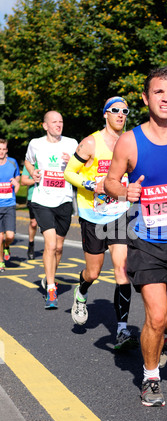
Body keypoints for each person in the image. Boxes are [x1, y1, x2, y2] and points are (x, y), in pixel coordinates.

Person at [104, 67, 167, 407]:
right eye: (159, 92)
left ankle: (158, 335)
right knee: (156, 313)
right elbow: (110, 182)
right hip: (146, 241)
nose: (165, 98)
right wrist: (126, 190)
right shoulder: (130, 140)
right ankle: (150, 379)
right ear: (147, 98)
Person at [64, 97, 138, 351]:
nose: (121, 114)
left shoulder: (130, 142)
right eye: (115, 110)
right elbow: (69, 172)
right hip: (93, 215)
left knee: (122, 270)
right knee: (93, 272)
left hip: (119, 213)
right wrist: (89, 184)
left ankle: (121, 329)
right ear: (105, 114)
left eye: (125, 111)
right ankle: (82, 292)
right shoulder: (90, 142)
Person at [25, 111, 78, 308]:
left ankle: (50, 277)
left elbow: (86, 165)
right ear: (45, 125)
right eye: (54, 122)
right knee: (50, 244)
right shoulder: (35, 143)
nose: (59, 125)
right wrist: (33, 172)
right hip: (42, 200)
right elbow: (28, 161)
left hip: (64, 200)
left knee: (59, 247)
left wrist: (72, 161)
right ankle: (50, 289)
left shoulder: (72, 143)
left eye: (61, 122)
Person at [0, 138, 20, 272]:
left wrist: (16, 183)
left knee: (10, 236)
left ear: (6, 150)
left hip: (9, 204)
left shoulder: (12, 162)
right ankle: (1, 261)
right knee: (0, 236)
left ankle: (6, 246)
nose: (1, 152)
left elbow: (17, 178)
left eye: (3, 149)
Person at [21, 165, 38, 259]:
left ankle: (50, 248)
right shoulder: (29, 164)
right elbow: (23, 181)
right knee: (33, 223)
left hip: (48, 197)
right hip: (33, 197)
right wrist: (36, 181)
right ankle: (31, 244)